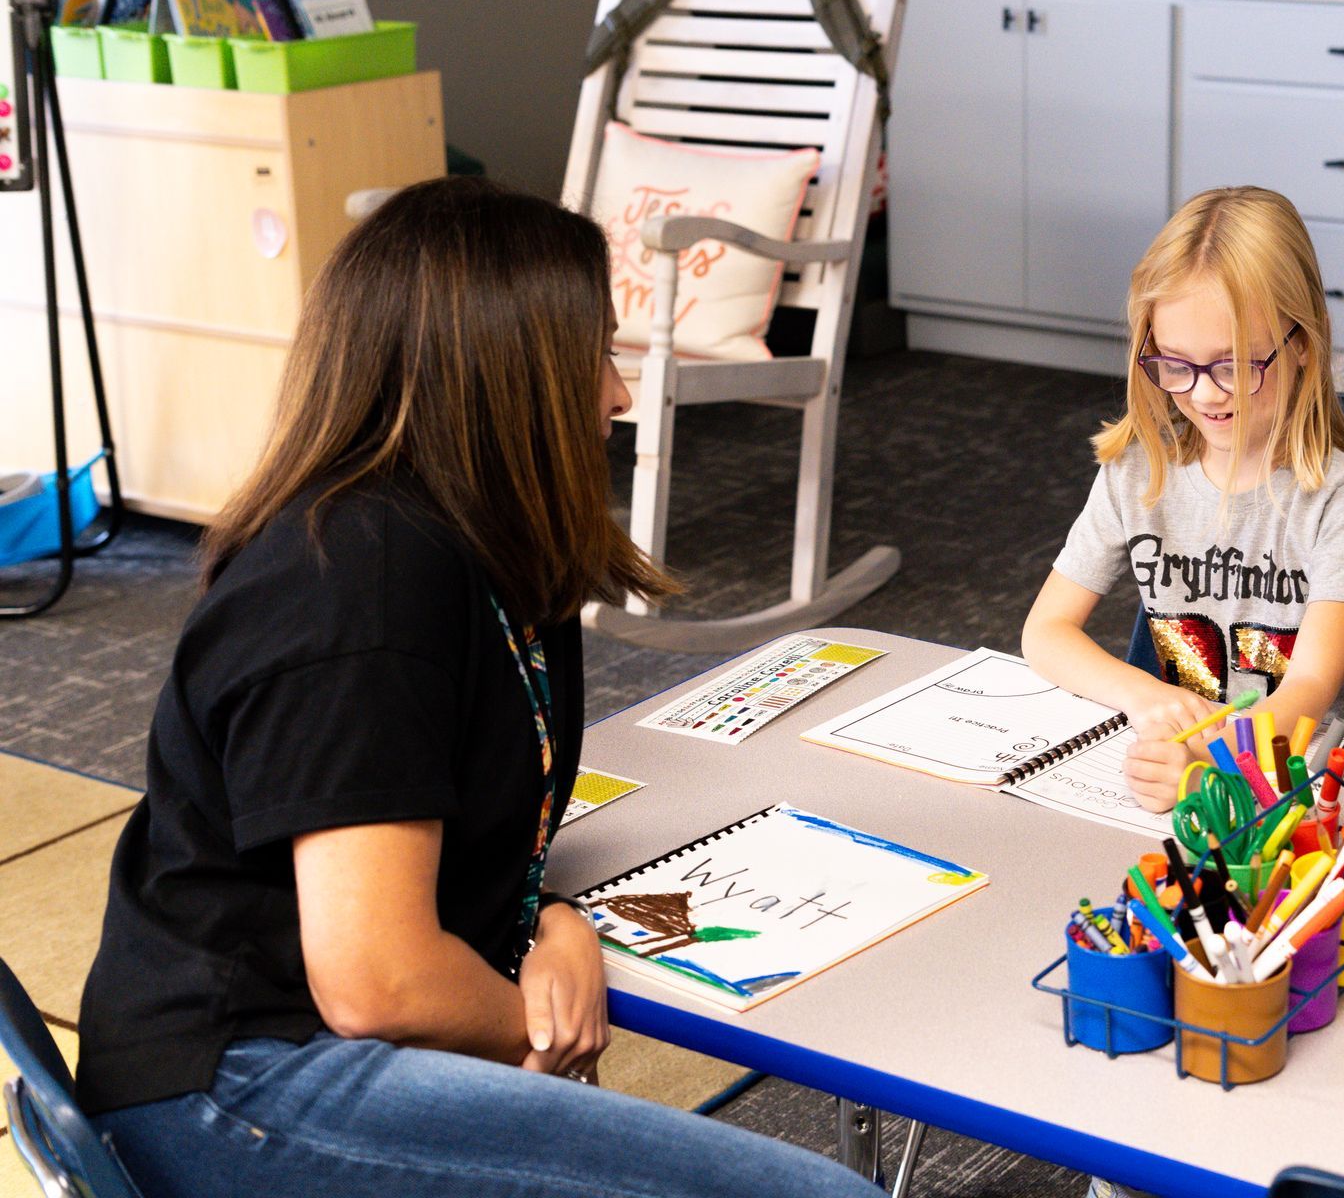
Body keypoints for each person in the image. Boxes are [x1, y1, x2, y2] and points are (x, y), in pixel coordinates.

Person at [76, 177, 881, 1198]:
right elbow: (379, 977)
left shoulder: (481, 550)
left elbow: (478, 826)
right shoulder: (358, 587)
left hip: (314, 1047)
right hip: (243, 1085)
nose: (618, 395)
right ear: (505, 379)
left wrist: (553, 923)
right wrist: (536, 1022)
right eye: (596, 358)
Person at [1023, 186, 1344, 817]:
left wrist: (1209, 762)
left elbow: (1309, 689)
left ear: (1302, 346)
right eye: (1175, 364)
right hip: (1198, 769)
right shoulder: (1138, 472)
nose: (1204, 394)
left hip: (1341, 776)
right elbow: (1045, 632)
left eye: (1233, 365)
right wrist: (1149, 699)